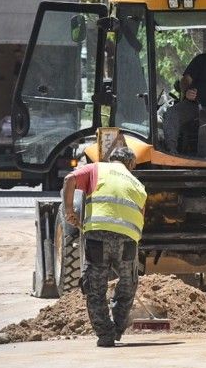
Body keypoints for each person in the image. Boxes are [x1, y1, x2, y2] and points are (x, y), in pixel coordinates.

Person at [63, 146, 147, 348]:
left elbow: (69, 180)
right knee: (128, 283)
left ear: (112, 159)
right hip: (127, 239)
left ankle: (105, 334)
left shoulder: (96, 169)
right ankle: (117, 328)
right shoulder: (138, 185)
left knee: (96, 288)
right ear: (131, 165)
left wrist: (69, 211)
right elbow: (141, 217)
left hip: (98, 235)